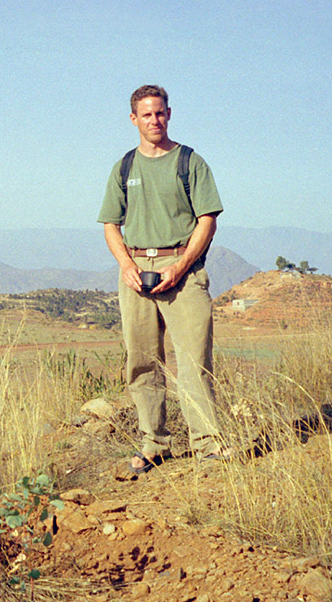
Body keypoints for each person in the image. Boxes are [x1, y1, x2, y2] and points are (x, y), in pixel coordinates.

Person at [97, 85, 231, 474]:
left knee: (193, 362)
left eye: (160, 113)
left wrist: (182, 265)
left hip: (182, 272)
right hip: (135, 271)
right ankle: (154, 443)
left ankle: (208, 444)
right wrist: (125, 265)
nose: (154, 121)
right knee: (141, 363)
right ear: (133, 119)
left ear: (169, 115)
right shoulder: (124, 167)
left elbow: (207, 220)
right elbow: (110, 223)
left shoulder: (190, 163)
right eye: (146, 115)